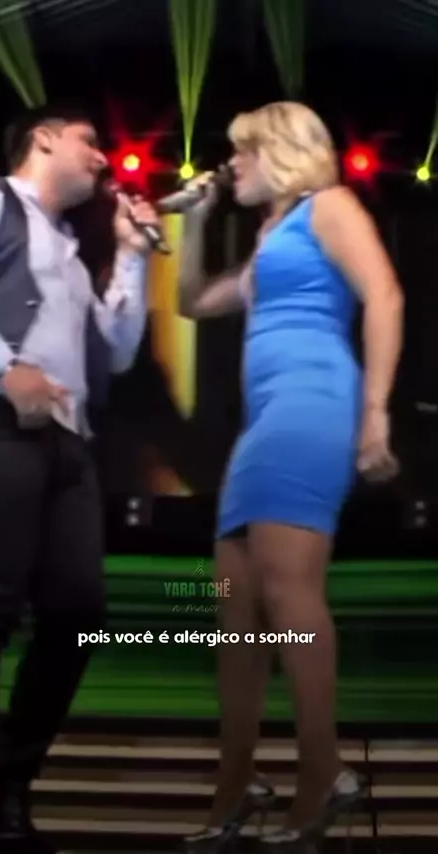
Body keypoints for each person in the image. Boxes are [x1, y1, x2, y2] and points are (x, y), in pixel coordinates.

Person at [178, 101, 403, 852]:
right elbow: (192, 301)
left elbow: (385, 294)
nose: (231, 165)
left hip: (313, 406)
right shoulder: (269, 239)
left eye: (243, 153)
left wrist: (376, 412)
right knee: (233, 606)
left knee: (289, 592)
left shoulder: (327, 206)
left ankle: (322, 774)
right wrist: (197, 221)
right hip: (263, 425)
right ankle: (234, 786)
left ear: (280, 151)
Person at [0, 105, 159, 854]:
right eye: (90, 142)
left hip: (67, 442)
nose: (105, 159)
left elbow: (117, 352)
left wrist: (132, 256)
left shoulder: (71, 252)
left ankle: (8, 783)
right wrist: (5, 365)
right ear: (43, 139)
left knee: (78, 610)